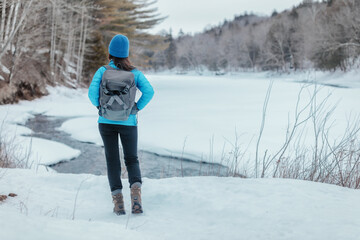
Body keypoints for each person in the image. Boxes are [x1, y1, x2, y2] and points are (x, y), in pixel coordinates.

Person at [88, 34, 154, 215]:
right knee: (131, 159)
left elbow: (91, 93)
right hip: (129, 122)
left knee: (112, 160)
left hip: (105, 122)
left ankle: (118, 204)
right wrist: (136, 108)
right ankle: (136, 197)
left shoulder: (102, 71)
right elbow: (149, 91)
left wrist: (99, 107)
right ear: (126, 53)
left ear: (110, 52)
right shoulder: (135, 73)